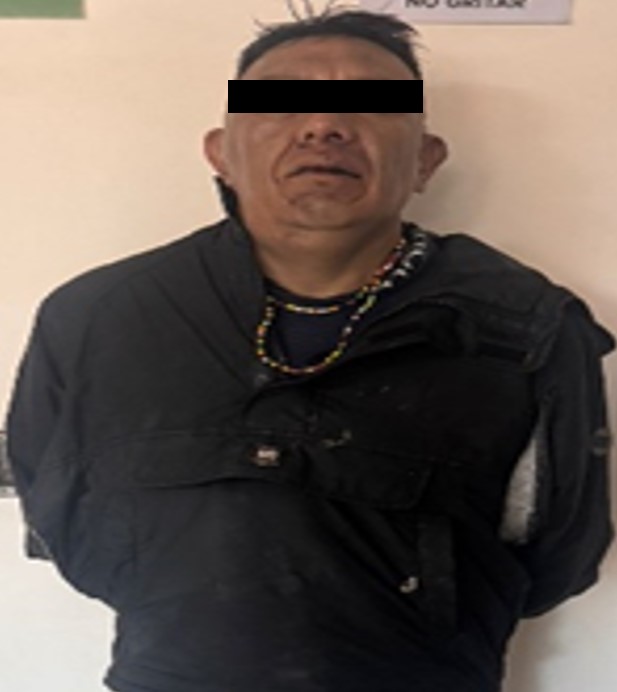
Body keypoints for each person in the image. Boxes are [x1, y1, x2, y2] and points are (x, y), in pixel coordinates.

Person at [6, 8, 614, 692]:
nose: (323, 125)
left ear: (425, 159)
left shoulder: (524, 329)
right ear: (220, 152)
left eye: (371, 105)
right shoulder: (97, 319)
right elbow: (64, 525)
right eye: (282, 102)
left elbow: (557, 556)